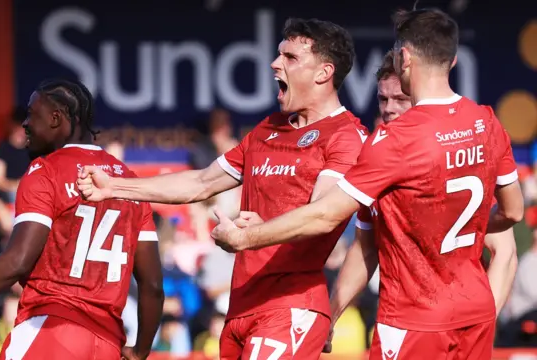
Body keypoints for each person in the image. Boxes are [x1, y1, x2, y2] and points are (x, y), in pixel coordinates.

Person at [210, 8, 523, 359]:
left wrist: (246, 237)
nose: (389, 109)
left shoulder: (393, 144)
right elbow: (511, 212)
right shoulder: (485, 122)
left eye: (399, 99)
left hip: (413, 319)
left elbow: (325, 215)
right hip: (472, 314)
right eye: (382, 99)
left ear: (407, 61)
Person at [77, 18, 365, 359]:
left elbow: (321, 217)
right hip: (241, 306)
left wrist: (248, 237)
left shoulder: (347, 136)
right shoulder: (267, 129)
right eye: (278, 54)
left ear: (323, 73)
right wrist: (114, 186)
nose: (275, 63)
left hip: (291, 306)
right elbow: (201, 182)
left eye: (289, 57)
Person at [0, 79, 164, 360]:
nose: (25, 124)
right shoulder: (128, 180)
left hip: (49, 332)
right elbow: (152, 285)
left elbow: (17, 262)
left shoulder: (45, 171)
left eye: (32, 114)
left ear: (56, 118)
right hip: (107, 344)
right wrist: (141, 350)